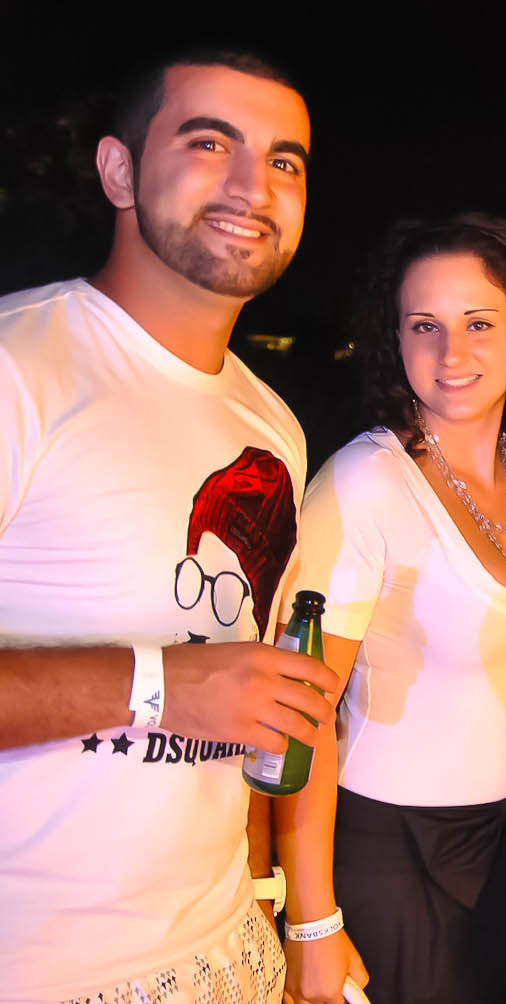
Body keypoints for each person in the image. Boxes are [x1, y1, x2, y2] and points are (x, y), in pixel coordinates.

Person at [0, 52, 341, 1004]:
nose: (254, 186)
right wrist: (156, 687)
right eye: (209, 143)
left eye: (285, 161)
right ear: (118, 170)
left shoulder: (273, 426)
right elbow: (193, 690)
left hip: (223, 948)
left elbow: (256, 708)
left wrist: (294, 920)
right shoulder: (21, 367)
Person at [274, 214, 506, 1004]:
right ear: (396, 338)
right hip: (397, 856)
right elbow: (301, 716)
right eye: (425, 326)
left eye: (478, 323)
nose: (452, 353)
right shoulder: (364, 482)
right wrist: (311, 921)